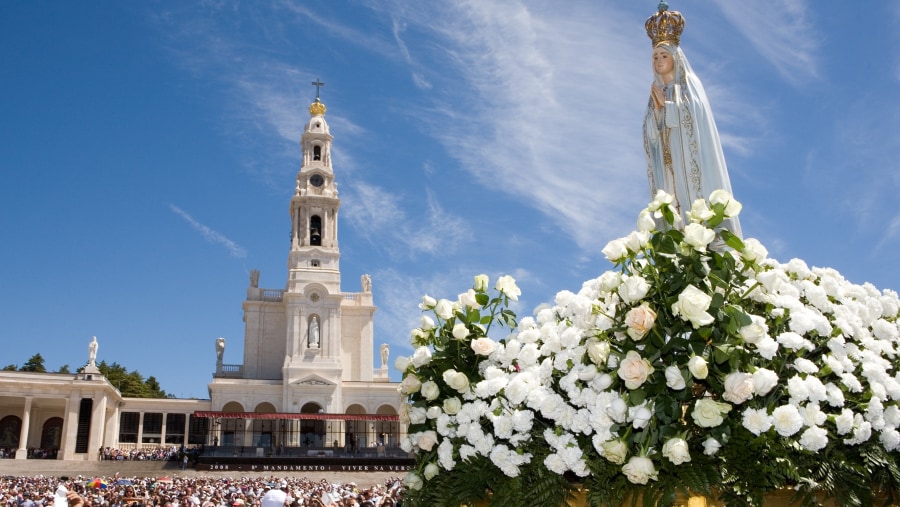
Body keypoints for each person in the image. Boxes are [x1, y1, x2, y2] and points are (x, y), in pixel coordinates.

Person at [642, 2, 741, 238]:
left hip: (690, 165)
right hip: (669, 168)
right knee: (672, 211)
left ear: (675, 57)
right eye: (655, 56)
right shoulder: (656, 91)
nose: (658, 60)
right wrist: (657, 113)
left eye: (664, 55)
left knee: (695, 214)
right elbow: (650, 136)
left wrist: (667, 108)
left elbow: (695, 116)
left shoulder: (689, 85)